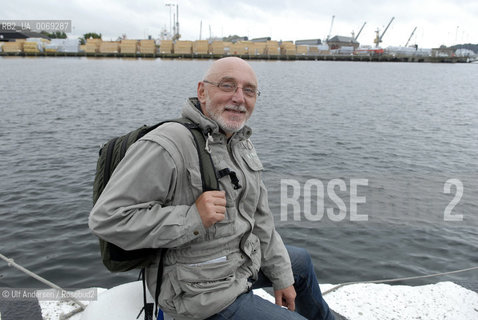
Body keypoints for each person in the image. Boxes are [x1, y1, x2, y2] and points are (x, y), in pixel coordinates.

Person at [89, 57, 335, 320]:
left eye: (249, 90)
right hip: (196, 291)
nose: (239, 98)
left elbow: (260, 217)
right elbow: (108, 219)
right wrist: (192, 218)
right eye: (227, 86)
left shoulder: (238, 142)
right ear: (202, 91)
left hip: (237, 263)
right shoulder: (168, 145)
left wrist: (283, 276)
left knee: (300, 263)